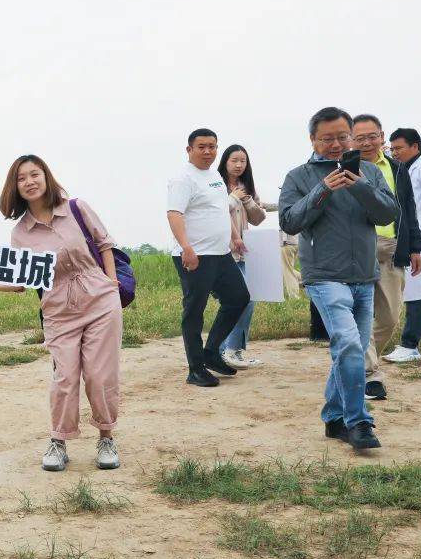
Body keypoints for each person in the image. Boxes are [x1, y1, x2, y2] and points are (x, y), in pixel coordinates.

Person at [0, 154, 123, 472]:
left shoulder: (76, 208)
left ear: (46, 176)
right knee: (64, 378)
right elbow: (22, 281)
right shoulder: (20, 233)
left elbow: (105, 244)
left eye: (34, 174)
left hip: (99, 301)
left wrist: (112, 285)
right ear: (14, 187)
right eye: (21, 178)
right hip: (58, 310)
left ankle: (106, 438)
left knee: (99, 375)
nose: (29, 182)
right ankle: (58, 441)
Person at [278, 107, 398, 450]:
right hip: (324, 276)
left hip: (364, 275)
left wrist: (360, 186)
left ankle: (333, 418)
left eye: (342, 137)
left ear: (351, 137)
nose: (335, 144)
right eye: (326, 138)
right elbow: (289, 221)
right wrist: (323, 189)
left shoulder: (369, 172)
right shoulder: (298, 176)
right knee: (348, 344)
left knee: (352, 349)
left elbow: (389, 213)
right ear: (312, 140)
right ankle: (358, 421)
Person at [166, 129, 249, 387]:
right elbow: (174, 214)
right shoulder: (183, 179)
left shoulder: (214, 176)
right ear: (189, 149)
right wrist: (186, 247)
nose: (207, 151)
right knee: (195, 310)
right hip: (195, 255)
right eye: (201, 146)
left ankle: (211, 352)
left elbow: (221, 210)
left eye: (212, 146)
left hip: (221, 253)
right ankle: (196, 369)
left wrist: (234, 236)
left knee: (239, 298)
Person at [350, 115, 421, 401]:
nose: (367, 142)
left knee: (390, 317)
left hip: (392, 247)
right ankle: (369, 373)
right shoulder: (345, 167)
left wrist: (415, 247)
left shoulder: (396, 167)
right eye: (360, 138)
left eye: (372, 136)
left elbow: (408, 208)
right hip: (357, 248)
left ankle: (355, 359)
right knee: (360, 314)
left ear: (382, 137)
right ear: (352, 140)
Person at [386, 128, 421, 362]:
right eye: (392, 149)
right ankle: (409, 345)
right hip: (417, 240)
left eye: (399, 148)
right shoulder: (403, 169)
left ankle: (409, 345)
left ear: (415, 146)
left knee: (417, 292)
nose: (394, 153)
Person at [217, 144, 268, 369]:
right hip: (223, 251)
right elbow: (217, 215)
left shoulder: (246, 188)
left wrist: (246, 199)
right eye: (234, 160)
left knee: (247, 299)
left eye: (243, 161)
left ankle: (229, 350)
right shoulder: (216, 185)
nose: (239, 165)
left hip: (243, 253)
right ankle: (228, 350)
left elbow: (258, 219)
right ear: (225, 162)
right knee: (241, 299)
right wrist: (235, 236)